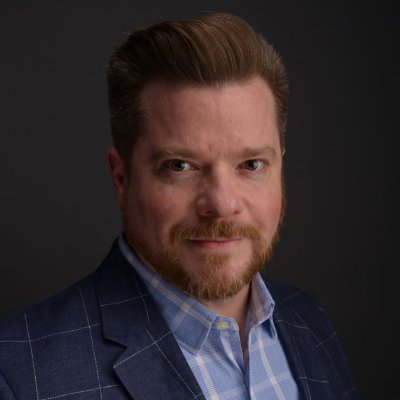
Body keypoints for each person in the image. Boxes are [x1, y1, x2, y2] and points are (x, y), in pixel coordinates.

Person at [0, 13, 358, 400]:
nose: (221, 204)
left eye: (251, 164)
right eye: (180, 166)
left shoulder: (308, 320)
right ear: (121, 179)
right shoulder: (18, 375)